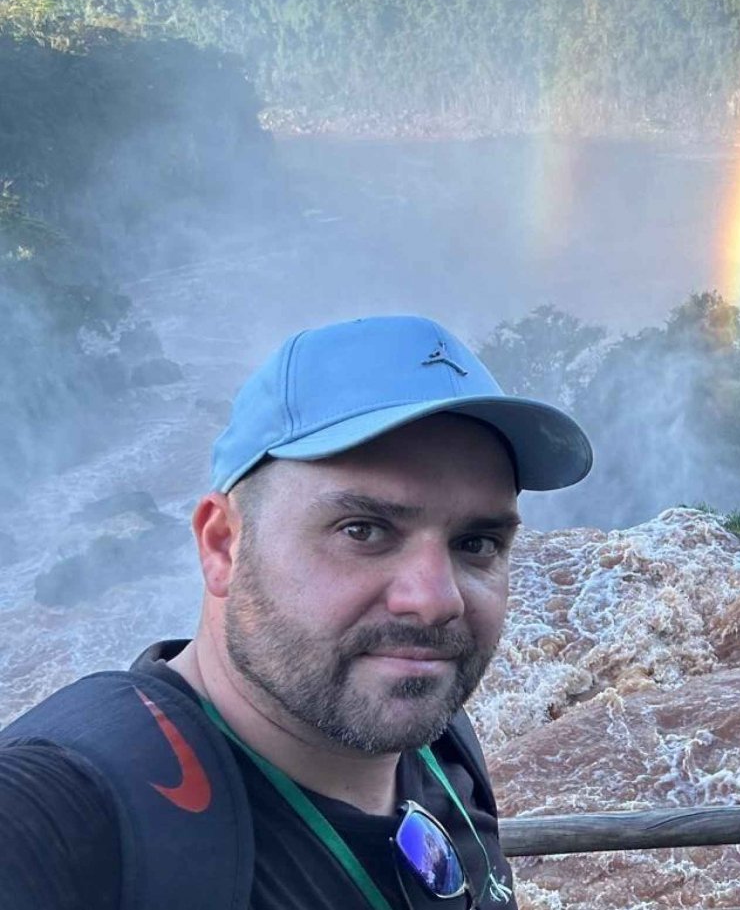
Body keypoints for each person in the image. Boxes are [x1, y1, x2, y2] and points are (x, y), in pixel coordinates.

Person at [0, 315, 593, 910]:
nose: (438, 601)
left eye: (477, 543)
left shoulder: (441, 744)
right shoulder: (68, 812)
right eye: (363, 530)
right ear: (223, 545)